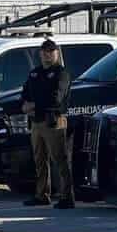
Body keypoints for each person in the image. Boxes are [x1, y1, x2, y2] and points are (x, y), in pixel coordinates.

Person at [21, 39, 75, 209]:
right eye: (44, 51)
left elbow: (56, 98)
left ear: (57, 53)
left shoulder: (61, 73)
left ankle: (67, 196)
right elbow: (25, 92)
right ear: (40, 54)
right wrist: (24, 104)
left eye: (51, 51)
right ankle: (42, 194)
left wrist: (35, 104)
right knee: (39, 160)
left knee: (60, 159)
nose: (47, 55)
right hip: (36, 122)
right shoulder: (35, 73)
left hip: (53, 120)